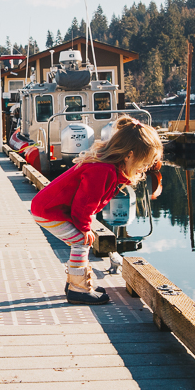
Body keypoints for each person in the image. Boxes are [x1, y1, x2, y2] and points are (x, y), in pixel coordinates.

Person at [31, 116, 163, 304]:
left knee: (81, 241)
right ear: (129, 155)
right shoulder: (102, 171)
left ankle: (76, 283)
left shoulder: (109, 168)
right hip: (49, 211)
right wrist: (85, 228)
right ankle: (78, 289)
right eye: (144, 162)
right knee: (81, 242)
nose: (145, 167)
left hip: (51, 208)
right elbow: (84, 204)